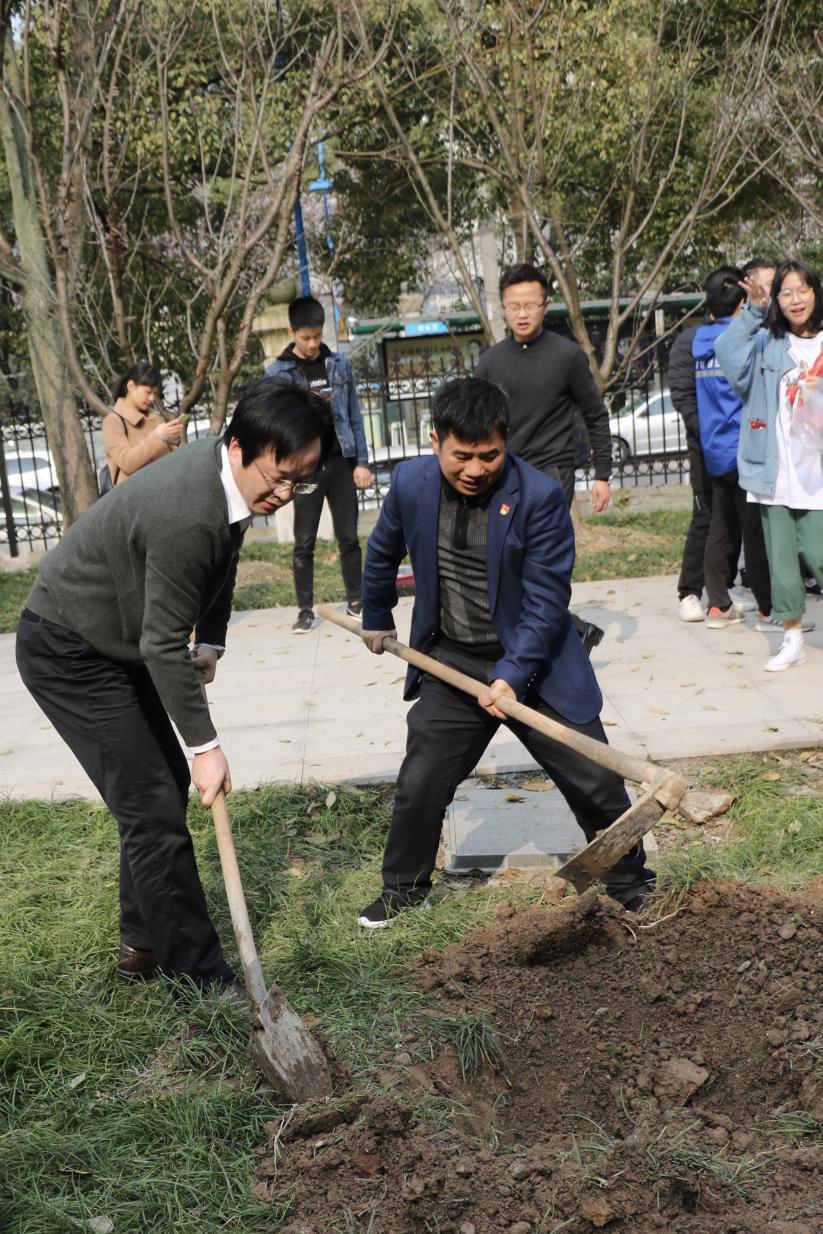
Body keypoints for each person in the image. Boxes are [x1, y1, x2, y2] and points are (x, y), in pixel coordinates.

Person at [16, 378, 326, 997]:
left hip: (117, 636)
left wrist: (212, 639)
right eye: (278, 478)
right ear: (238, 447)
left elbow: (221, 565)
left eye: (300, 482)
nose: (285, 494)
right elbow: (162, 645)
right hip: (69, 646)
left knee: (156, 790)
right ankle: (200, 979)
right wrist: (205, 746)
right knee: (154, 806)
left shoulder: (230, 484)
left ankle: (144, 944)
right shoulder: (189, 509)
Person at [356, 376, 654, 929]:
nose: (475, 469)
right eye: (461, 455)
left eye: (489, 455)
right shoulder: (411, 484)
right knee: (420, 781)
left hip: (537, 664)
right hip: (453, 660)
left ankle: (629, 885)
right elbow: (381, 552)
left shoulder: (538, 497)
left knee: (596, 782)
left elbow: (546, 602)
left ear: (506, 441)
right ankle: (403, 890)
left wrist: (514, 674)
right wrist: (376, 615)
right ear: (435, 441)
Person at [474, 263, 613, 654]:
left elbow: (595, 413)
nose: (522, 313)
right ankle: (571, 632)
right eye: (514, 306)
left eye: (530, 305)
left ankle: (555, 644)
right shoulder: (490, 362)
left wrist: (602, 474)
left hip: (553, 472)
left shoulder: (566, 355)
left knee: (541, 561)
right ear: (503, 309)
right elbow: (474, 418)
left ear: (545, 306)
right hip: (504, 473)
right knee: (508, 564)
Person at [716, 259, 823, 671]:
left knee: (818, 553)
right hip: (775, 473)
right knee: (781, 564)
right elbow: (727, 352)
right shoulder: (767, 342)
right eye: (785, 292)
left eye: (803, 289)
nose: (796, 299)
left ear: (816, 292)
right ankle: (792, 639)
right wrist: (754, 311)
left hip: (816, 473)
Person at [265, 295, 372, 633]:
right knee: (304, 541)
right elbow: (274, 425)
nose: (312, 344)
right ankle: (305, 610)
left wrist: (362, 462)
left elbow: (354, 415)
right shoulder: (278, 373)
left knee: (349, 536)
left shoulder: (338, 364)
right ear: (291, 332)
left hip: (340, 462)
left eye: (317, 336)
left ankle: (356, 600)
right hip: (305, 470)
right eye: (305, 337)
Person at [692, 267, 773, 630]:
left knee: (721, 527)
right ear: (743, 303)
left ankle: (717, 605)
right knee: (755, 533)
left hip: (714, 450)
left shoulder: (700, 341)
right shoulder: (740, 340)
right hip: (744, 449)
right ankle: (769, 609)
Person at [668, 316, 712, 621]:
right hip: (706, 445)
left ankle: (723, 587)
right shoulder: (690, 340)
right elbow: (682, 396)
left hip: (745, 442)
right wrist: (708, 433)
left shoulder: (752, 332)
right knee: (705, 515)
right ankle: (690, 591)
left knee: (739, 519)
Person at [102, 361, 183, 486]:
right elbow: (127, 463)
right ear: (130, 386)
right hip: (135, 494)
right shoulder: (113, 421)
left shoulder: (157, 420)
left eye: (154, 393)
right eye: (148, 392)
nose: (152, 398)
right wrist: (158, 436)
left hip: (165, 490)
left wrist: (173, 439)